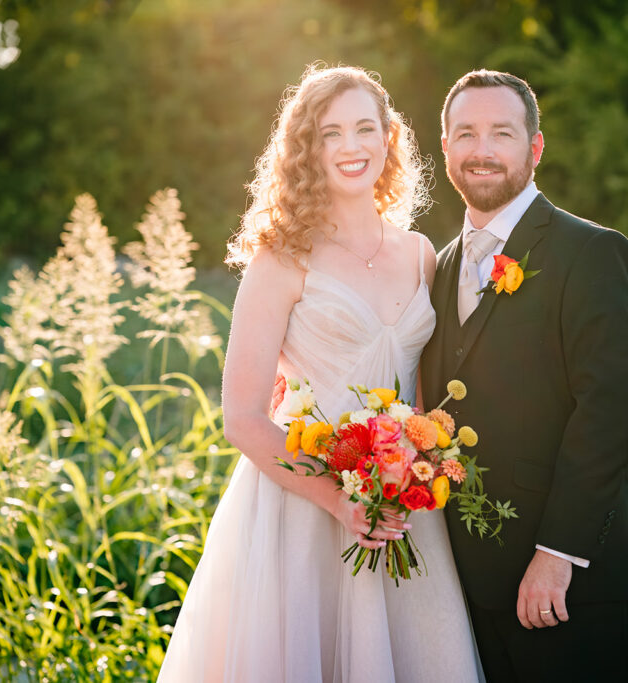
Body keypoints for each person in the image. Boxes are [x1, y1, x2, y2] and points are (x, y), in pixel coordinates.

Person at [157, 65, 483, 682]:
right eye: (332, 134)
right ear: (309, 148)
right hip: (302, 507)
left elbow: (418, 394)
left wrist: (413, 474)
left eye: (365, 128)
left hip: (401, 510)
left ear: (389, 138)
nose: (352, 146)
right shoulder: (281, 258)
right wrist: (337, 501)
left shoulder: (419, 254)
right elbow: (243, 416)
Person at [420, 69, 628, 681]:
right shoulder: (438, 268)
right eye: (466, 134)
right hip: (464, 583)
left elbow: (606, 414)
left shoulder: (593, 253)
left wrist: (557, 556)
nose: (483, 150)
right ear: (445, 148)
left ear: (535, 147)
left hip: (563, 583)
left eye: (502, 132)